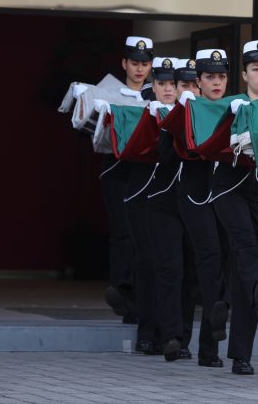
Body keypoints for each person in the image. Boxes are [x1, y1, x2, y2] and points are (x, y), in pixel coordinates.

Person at [210, 40, 258, 375]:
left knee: (247, 269)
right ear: (245, 74)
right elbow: (204, 139)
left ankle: (241, 355)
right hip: (228, 186)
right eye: (255, 69)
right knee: (246, 249)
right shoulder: (230, 105)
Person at [172, 49, 230, 368]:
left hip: (227, 195)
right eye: (210, 77)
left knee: (219, 267)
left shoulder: (235, 108)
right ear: (199, 81)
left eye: (221, 76)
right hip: (194, 194)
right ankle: (190, 340)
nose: (216, 82)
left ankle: (209, 345)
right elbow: (166, 153)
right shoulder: (187, 110)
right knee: (206, 263)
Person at [145, 57, 199, 362]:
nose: (189, 89)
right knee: (170, 269)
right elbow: (165, 156)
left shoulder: (209, 115)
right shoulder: (169, 117)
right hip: (164, 202)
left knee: (191, 272)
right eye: (183, 85)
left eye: (193, 84)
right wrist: (179, 121)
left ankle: (185, 338)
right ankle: (170, 336)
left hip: (195, 203)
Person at [102, 35, 153, 323]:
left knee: (142, 233)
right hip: (115, 167)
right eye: (134, 63)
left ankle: (137, 299)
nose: (139, 69)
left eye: (144, 64)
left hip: (145, 169)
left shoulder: (157, 93)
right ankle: (122, 289)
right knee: (122, 230)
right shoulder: (107, 92)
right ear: (124, 63)